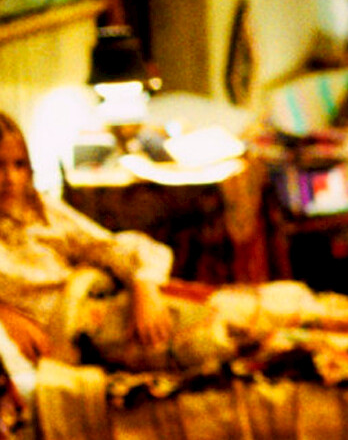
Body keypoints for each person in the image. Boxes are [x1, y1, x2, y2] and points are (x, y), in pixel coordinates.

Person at [0, 112, 230, 372]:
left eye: (19, 165)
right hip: (71, 335)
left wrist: (144, 286)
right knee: (215, 339)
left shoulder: (38, 210)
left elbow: (111, 247)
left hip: (97, 300)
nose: (11, 179)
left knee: (225, 311)